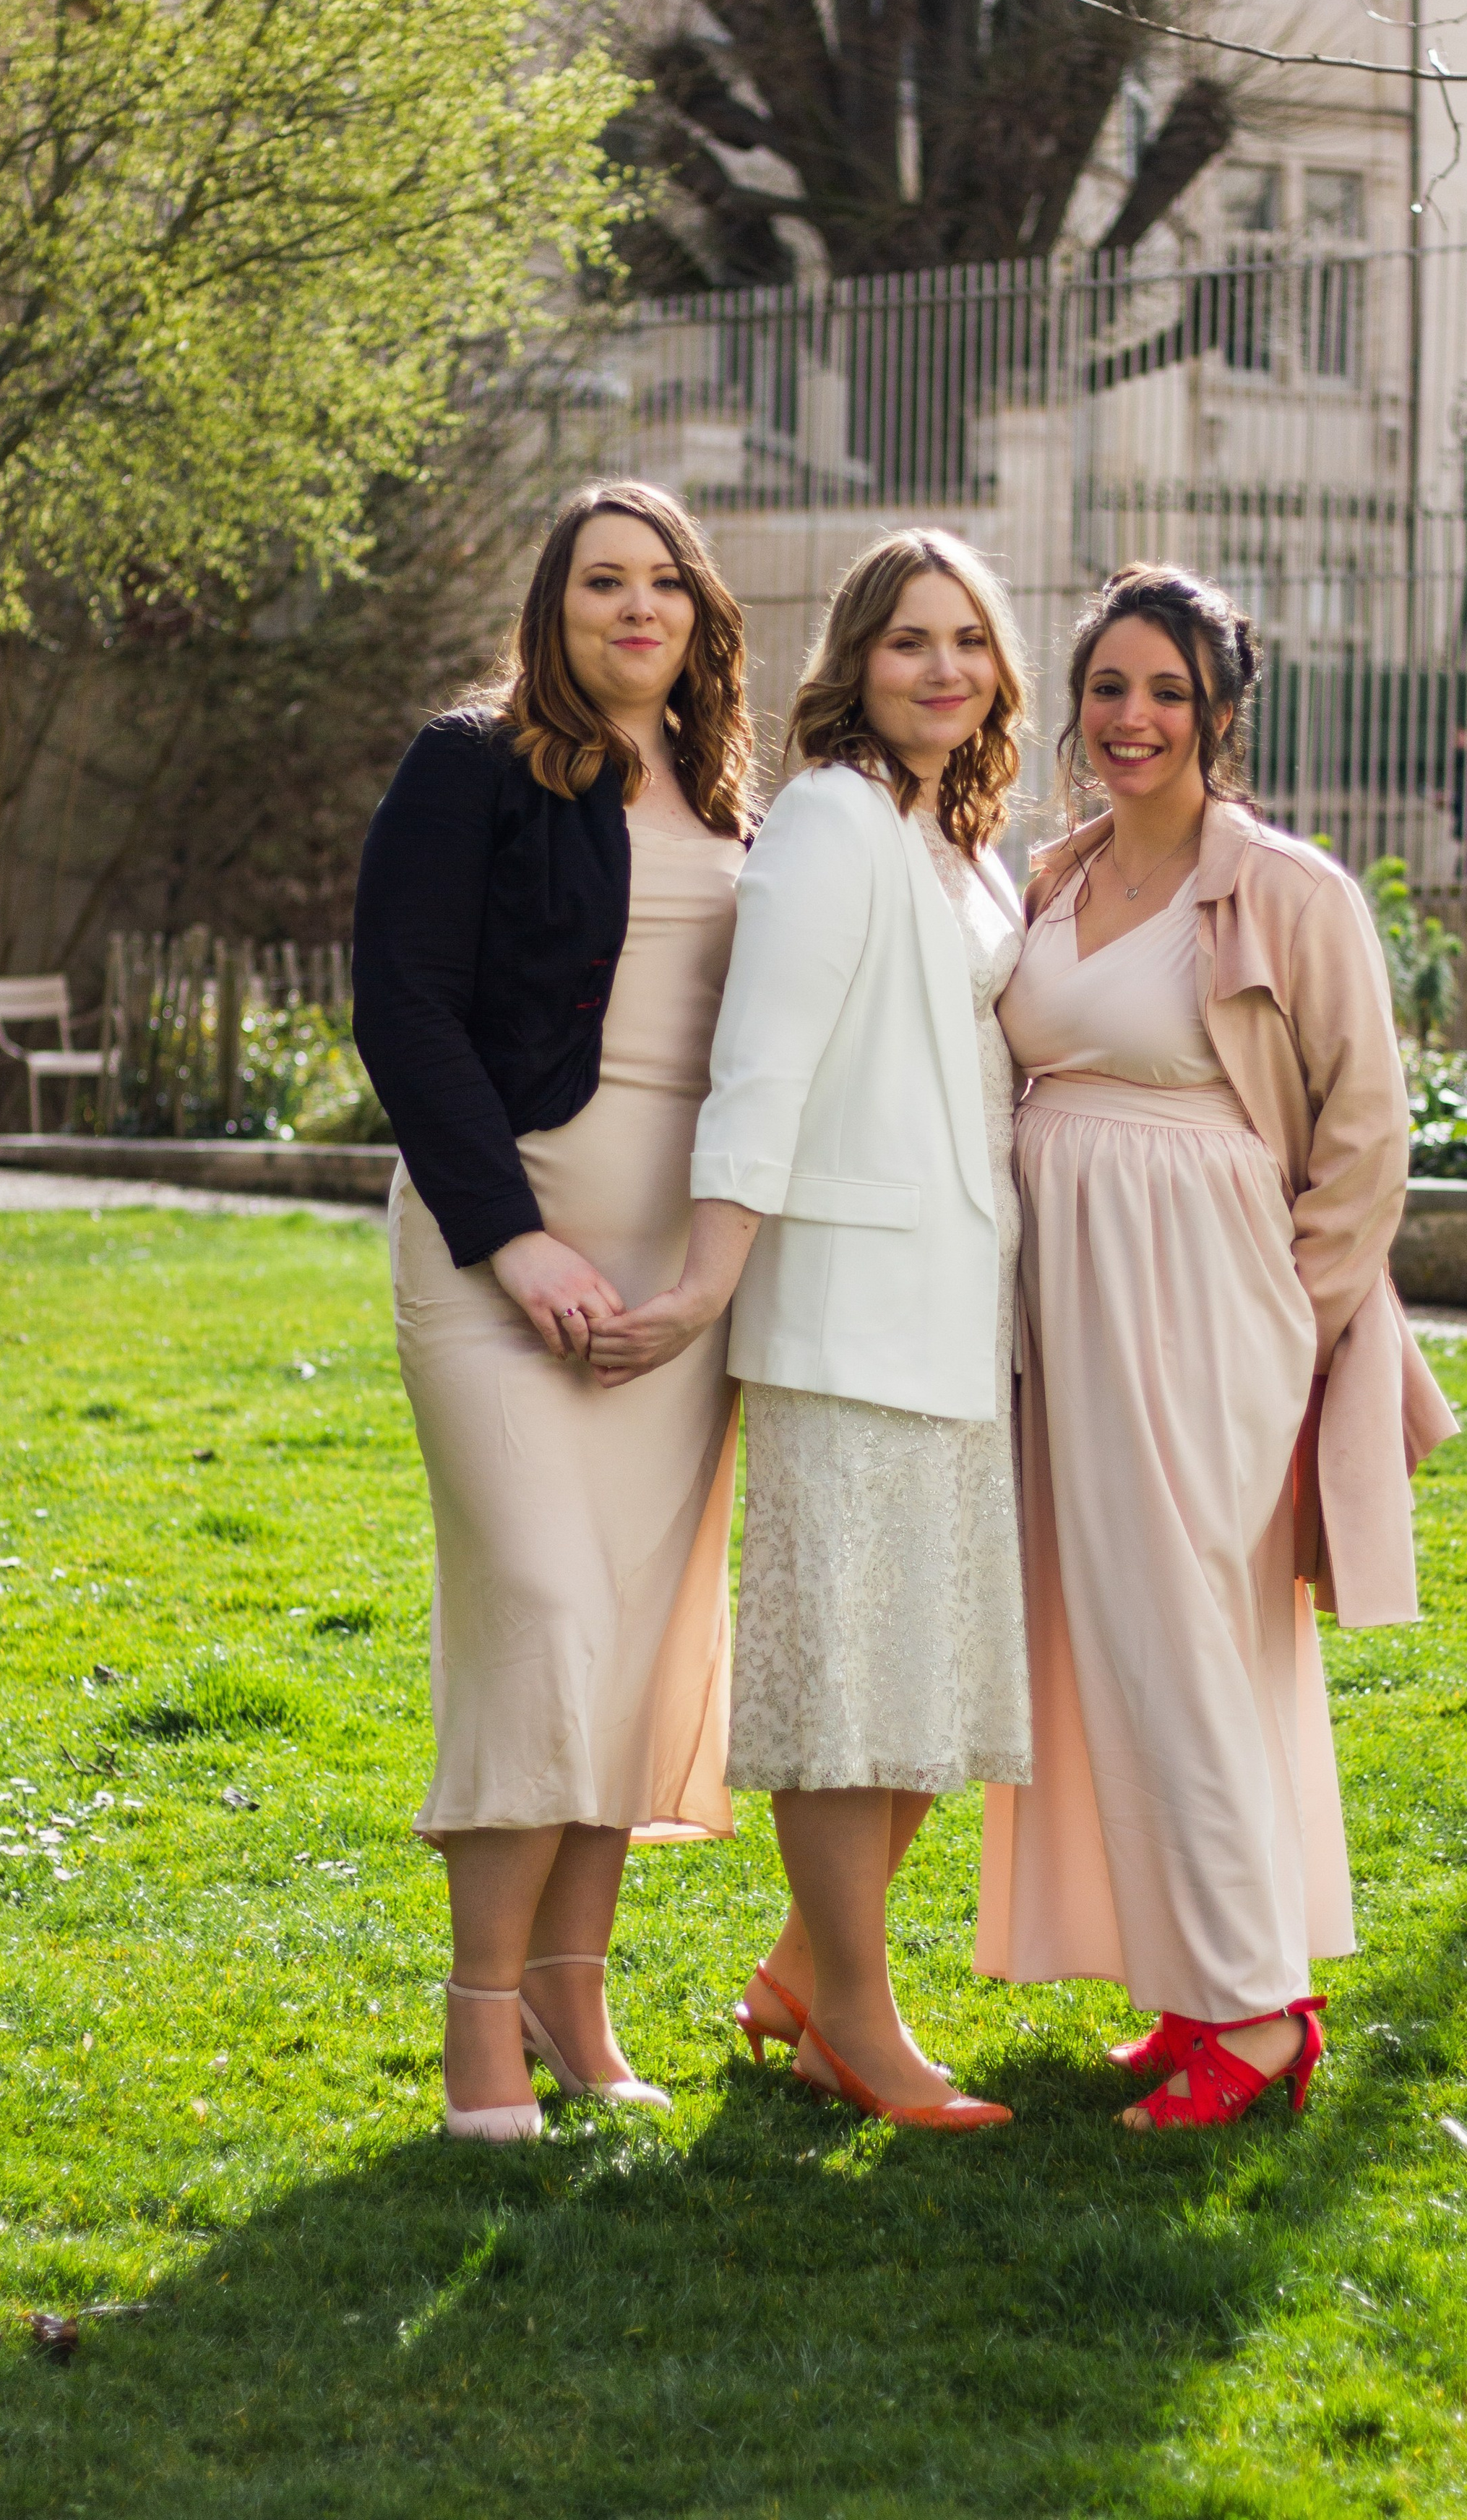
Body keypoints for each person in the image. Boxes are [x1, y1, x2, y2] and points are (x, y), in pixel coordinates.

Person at [975, 562, 1457, 2130]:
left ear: (1219, 713)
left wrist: (1299, 1326)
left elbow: (1366, 1133)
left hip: (1213, 1304)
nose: (1131, 719)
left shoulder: (1287, 893)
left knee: (1185, 1629)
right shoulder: (1048, 876)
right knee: (1109, 1635)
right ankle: (1194, 1981)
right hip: (1071, 1298)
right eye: (1108, 687)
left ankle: (1255, 2017)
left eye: (1166, 692)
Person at [590, 530, 1030, 2132]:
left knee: (923, 1680)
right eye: (909, 641)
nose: (941, 669)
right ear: (854, 662)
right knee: (853, 1691)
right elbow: (759, 1065)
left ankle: (793, 1970)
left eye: (966, 642)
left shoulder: (956, 839)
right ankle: (854, 2018)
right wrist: (710, 1279)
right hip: (848, 1318)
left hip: (959, 1311)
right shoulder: (834, 825)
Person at [351, 479, 755, 2141]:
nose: (636, 610)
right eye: (602, 582)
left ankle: (575, 2005)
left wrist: (703, 1278)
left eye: (664, 584)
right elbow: (402, 1010)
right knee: (541, 1614)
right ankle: (475, 2022)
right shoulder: (472, 767)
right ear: (553, 605)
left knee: (637, 1643)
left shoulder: (741, 802)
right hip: (493, 1259)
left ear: (698, 615)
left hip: (677, 1295)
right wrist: (513, 1243)